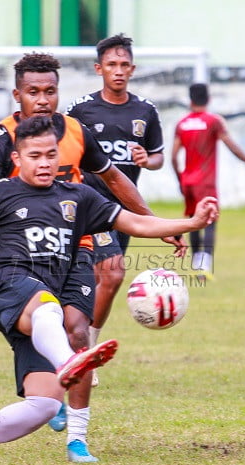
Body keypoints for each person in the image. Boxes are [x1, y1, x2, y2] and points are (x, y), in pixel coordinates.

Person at [0, 116, 218, 465]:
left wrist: (190, 224)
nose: (45, 162)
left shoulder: (77, 197)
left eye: (51, 154)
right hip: (7, 287)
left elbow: (136, 224)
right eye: (35, 155)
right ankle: (68, 361)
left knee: (45, 405)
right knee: (48, 306)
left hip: (42, 305)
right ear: (17, 157)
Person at [0, 51, 184, 464]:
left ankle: (77, 438)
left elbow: (113, 179)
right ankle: (57, 378)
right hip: (23, 258)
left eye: (50, 91)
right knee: (58, 327)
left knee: (79, 327)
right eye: (34, 92)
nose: (43, 100)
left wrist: (159, 222)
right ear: (18, 95)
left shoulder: (75, 131)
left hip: (79, 240)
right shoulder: (2, 139)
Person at [65, 33, 164, 398]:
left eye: (124, 65)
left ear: (133, 70)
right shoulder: (80, 109)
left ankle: (79, 346)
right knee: (113, 273)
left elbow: (158, 157)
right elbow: (63, 147)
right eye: (111, 65)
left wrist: (146, 160)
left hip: (125, 208)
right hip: (88, 207)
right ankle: (85, 348)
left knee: (98, 282)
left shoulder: (145, 111)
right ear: (99, 69)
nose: (118, 71)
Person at [171, 83, 245, 277]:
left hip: (188, 181)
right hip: (205, 182)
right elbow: (231, 145)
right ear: (209, 99)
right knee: (210, 222)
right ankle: (205, 267)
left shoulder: (182, 124)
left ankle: (197, 265)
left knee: (193, 222)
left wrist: (180, 180)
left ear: (190, 100)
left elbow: (173, 156)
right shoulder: (213, 121)